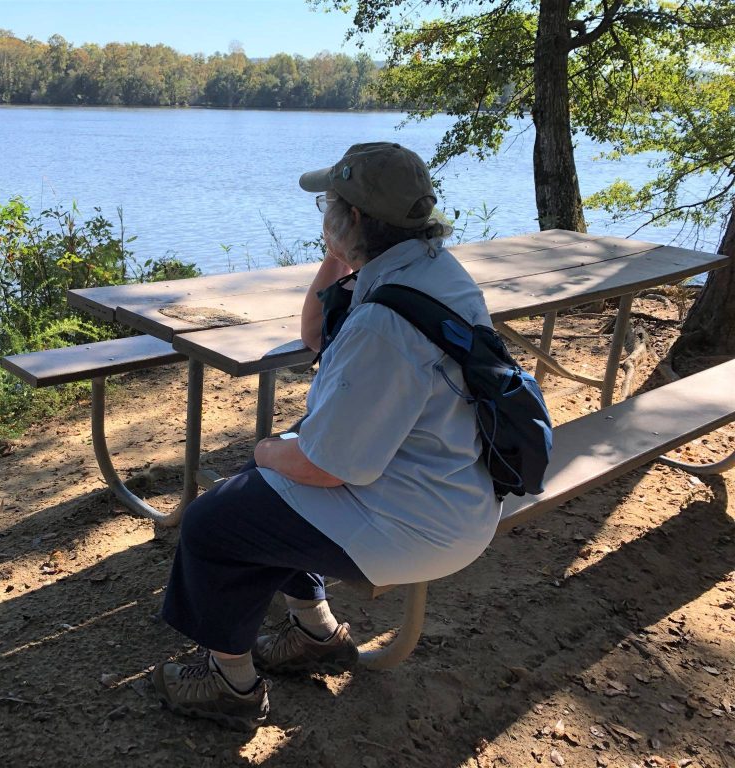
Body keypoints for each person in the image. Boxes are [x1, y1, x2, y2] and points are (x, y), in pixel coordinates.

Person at [151, 142, 501, 730]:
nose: (324, 214)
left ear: (355, 217)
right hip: (447, 487)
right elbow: (316, 334)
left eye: (331, 205)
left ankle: (227, 685)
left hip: (418, 521)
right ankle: (316, 633)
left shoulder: (385, 324)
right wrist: (339, 256)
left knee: (215, 521)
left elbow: (326, 467)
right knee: (262, 500)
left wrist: (265, 450)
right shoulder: (425, 271)